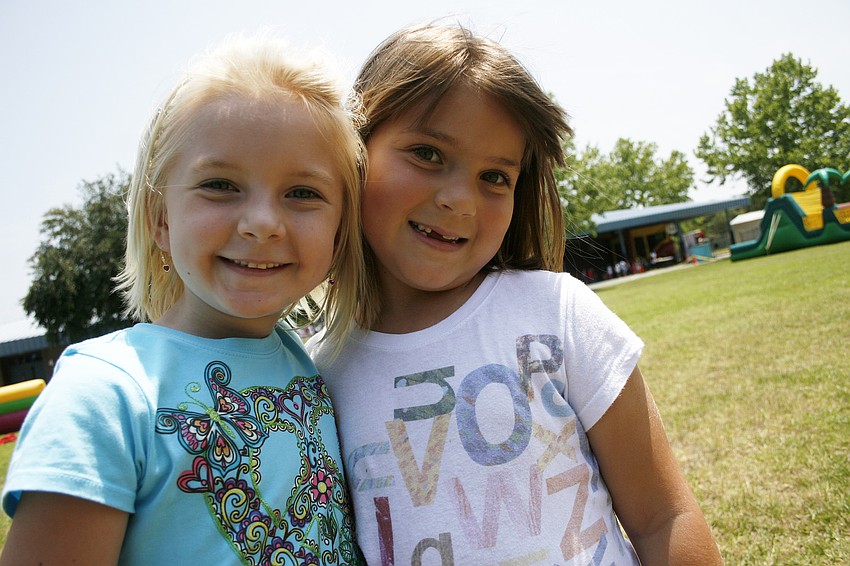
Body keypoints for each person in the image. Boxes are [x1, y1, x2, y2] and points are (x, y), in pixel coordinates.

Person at [308, 23, 722, 565]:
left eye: (496, 177)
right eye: (428, 153)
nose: (460, 199)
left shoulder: (557, 312)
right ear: (355, 152)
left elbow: (662, 516)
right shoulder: (315, 370)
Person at [1, 34, 366, 566]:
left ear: (340, 230)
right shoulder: (105, 396)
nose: (262, 222)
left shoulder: (320, 371)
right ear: (160, 221)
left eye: (303, 193)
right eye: (220, 185)